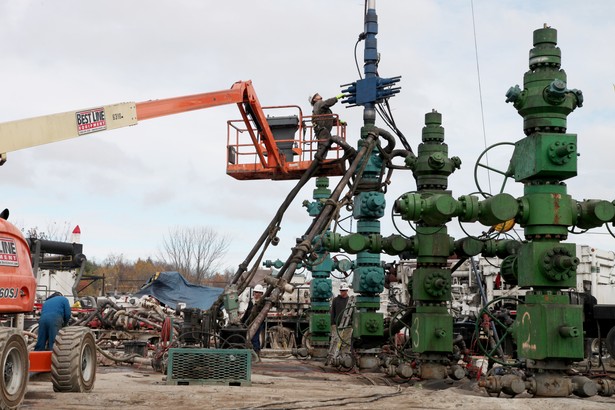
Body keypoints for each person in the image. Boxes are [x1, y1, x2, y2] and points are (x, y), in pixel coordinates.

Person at [326, 282, 353, 365]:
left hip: (348, 326)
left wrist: (351, 323)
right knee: (335, 341)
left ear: (347, 291)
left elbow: (353, 313)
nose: (343, 292)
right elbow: (332, 312)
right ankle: (333, 358)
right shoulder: (335, 300)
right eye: (341, 290)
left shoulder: (350, 301)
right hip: (337, 325)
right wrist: (332, 324)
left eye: (344, 290)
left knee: (346, 342)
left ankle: (344, 358)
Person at [241, 284, 266, 357]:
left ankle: (256, 352)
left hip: (259, 323)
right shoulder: (251, 302)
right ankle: (254, 352)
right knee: (252, 338)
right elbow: (247, 313)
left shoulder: (262, 303)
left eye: (258, 292)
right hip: (251, 322)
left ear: (261, 294)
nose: (256, 294)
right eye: (255, 292)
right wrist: (242, 321)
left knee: (255, 337)